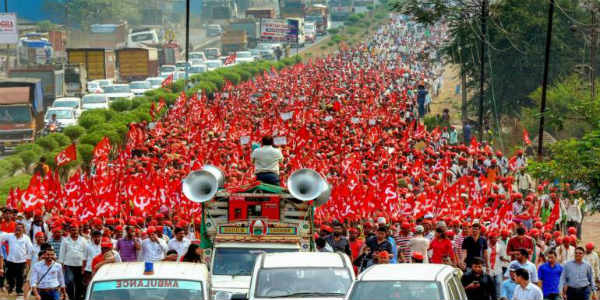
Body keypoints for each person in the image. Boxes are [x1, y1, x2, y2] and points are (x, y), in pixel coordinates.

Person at [0, 223, 33, 296]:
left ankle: (19, 290)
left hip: (21, 261)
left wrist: (28, 258)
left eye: (20, 228)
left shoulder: (26, 238)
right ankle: (11, 288)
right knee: (9, 275)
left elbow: (30, 248)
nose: (18, 229)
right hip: (10, 260)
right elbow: (1, 237)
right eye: (17, 228)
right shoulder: (10, 236)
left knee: (20, 276)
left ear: (23, 229)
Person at [58, 224, 87, 300]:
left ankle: (78, 297)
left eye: (76, 230)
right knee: (69, 282)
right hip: (68, 265)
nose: (74, 231)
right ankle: (70, 298)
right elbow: (62, 253)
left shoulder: (83, 240)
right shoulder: (65, 240)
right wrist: (61, 265)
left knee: (79, 283)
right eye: (72, 230)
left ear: (78, 231)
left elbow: (85, 253)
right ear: (69, 231)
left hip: (80, 265)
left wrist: (84, 266)